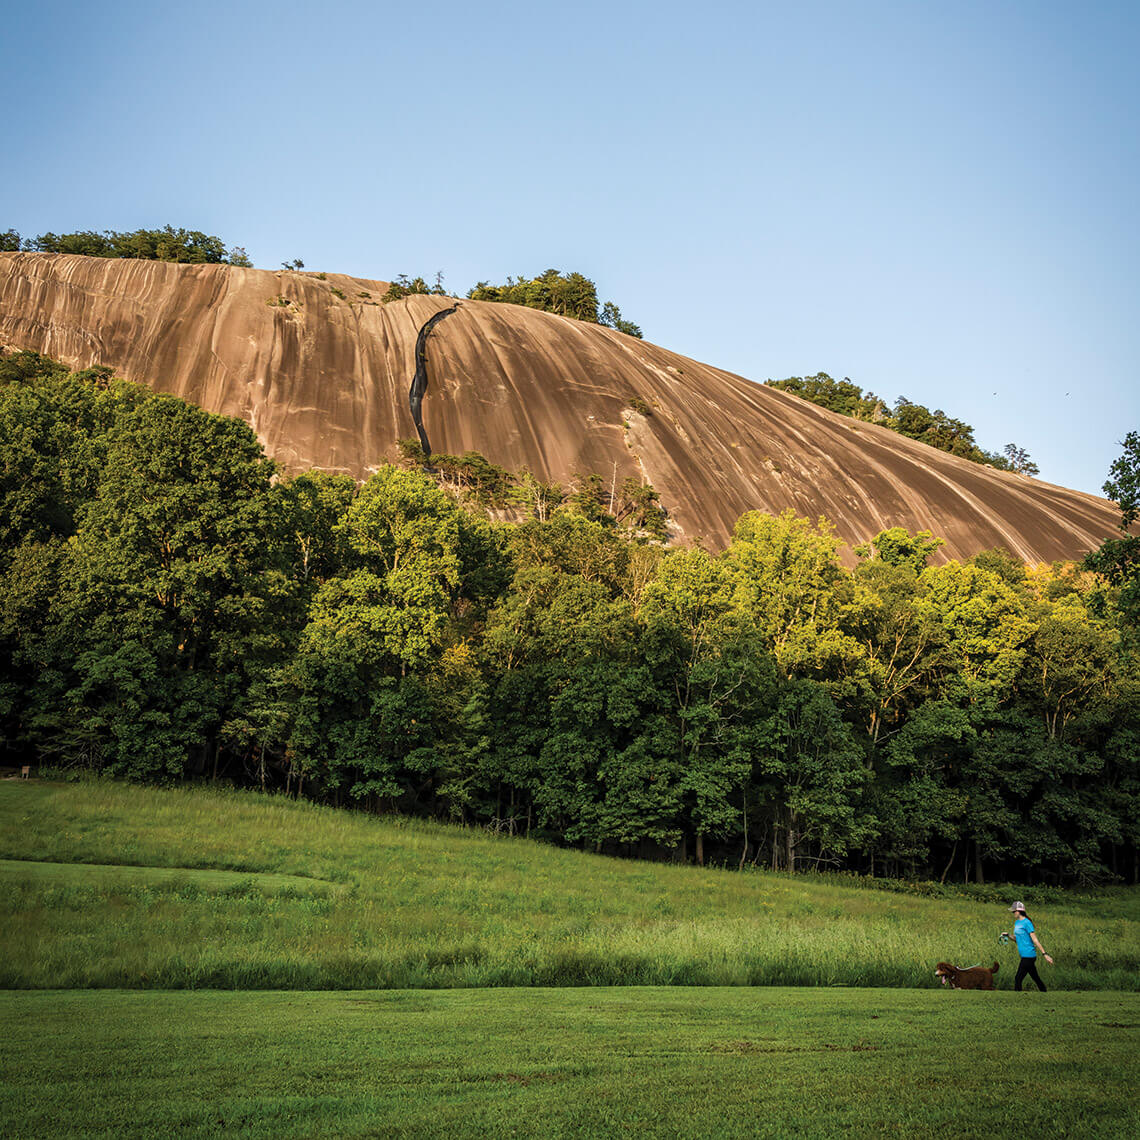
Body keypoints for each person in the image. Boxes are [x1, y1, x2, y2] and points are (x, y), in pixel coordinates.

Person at [1000, 901, 1054, 991]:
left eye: (1014, 911)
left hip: (1029, 955)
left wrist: (1045, 954)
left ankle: (1018, 999)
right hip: (1024, 955)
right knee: (1035, 977)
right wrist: (1008, 935)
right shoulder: (1017, 923)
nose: (1013, 913)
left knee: (1018, 978)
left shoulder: (1027, 923)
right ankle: (1044, 991)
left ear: (1019, 911)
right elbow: (1017, 939)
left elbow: (1035, 939)